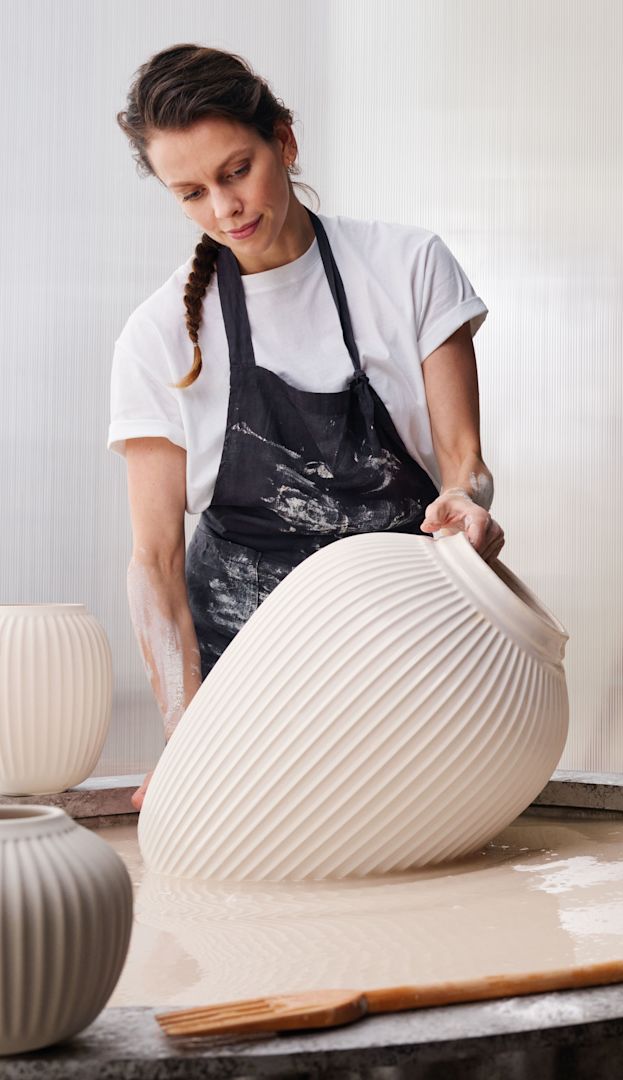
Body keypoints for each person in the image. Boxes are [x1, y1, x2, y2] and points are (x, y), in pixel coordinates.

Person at [109, 44, 504, 810]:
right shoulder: (159, 336)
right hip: (249, 702)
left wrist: (469, 502)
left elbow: (465, 462)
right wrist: (190, 742)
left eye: (236, 171)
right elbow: (154, 563)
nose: (225, 209)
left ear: (284, 141)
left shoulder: (408, 265)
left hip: (410, 668)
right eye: (190, 192)